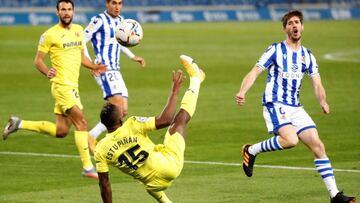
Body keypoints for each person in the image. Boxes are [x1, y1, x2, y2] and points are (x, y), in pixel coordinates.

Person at [235, 10, 355, 203]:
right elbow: (255, 71)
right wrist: (242, 91)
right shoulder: (275, 50)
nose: (295, 25)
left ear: (302, 27)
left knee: (318, 146)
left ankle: (334, 195)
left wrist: (322, 101)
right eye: (290, 23)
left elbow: (317, 83)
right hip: (275, 102)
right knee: (291, 140)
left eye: (297, 22)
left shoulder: (307, 55)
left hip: (295, 107)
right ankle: (251, 150)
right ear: (285, 29)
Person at [2, 0, 107, 179]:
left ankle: (18, 123)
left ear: (73, 11)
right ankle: (88, 167)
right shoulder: (49, 34)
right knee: (81, 122)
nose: (66, 12)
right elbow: (38, 61)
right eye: (63, 10)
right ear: (57, 12)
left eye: (69, 9)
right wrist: (47, 71)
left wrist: (94, 67)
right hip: (61, 85)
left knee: (61, 131)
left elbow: (81, 56)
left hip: (73, 86)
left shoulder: (79, 30)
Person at [94, 55, 205, 203]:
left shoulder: (100, 149)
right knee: (178, 122)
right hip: (169, 167)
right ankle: (196, 79)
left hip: (155, 185)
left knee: (148, 182)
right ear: (120, 119)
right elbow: (166, 120)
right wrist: (174, 92)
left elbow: (104, 184)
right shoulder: (132, 124)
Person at [83, 0, 146, 152]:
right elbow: (81, 41)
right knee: (117, 107)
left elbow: (121, 43)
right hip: (104, 69)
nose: (117, 6)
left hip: (115, 70)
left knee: (123, 111)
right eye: (114, 3)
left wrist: (132, 56)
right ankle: (97, 139)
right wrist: (91, 64)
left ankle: (94, 135)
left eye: (120, 3)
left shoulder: (122, 21)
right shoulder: (98, 20)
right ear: (107, 4)